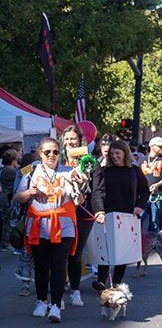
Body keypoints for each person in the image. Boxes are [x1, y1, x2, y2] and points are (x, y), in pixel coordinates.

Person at [15, 136, 76, 322]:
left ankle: (56, 306)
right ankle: (41, 301)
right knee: (41, 266)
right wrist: (29, 192)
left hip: (63, 224)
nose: (51, 155)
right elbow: (17, 196)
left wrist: (81, 183)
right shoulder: (30, 169)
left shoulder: (69, 171)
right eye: (47, 152)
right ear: (40, 153)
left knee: (59, 265)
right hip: (39, 225)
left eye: (55, 152)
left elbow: (79, 199)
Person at [90, 138, 149, 288]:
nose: (114, 156)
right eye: (112, 154)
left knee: (122, 249)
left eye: (117, 153)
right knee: (106, 247)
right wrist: (99, 210)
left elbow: (144, 191)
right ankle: (102, 280)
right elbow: (98, 191)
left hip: (128, 214)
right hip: (108, 212)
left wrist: (139, 206)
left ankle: (117, 281)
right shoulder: (105, 171)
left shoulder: (134, 171)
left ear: (125, 153)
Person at [58, 124, 96, 307]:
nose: (70, 142)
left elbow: (94, 187)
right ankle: (57, 292)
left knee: (75, 253)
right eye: (66, 139)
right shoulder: (56, 160)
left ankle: (75, 290)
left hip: (82, 212)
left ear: (80, 140)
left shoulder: (87, 161)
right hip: (59, 211)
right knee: (59, 253)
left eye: (73, 139)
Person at [144, 137, 162, 235]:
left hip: (157, 196)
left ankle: (155, 245)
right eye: (159, 146)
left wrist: (157, 185)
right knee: (139, 218)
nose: (161, 148)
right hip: (142, 196)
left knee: (154, 222)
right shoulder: (142, 159)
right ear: (152, 146)